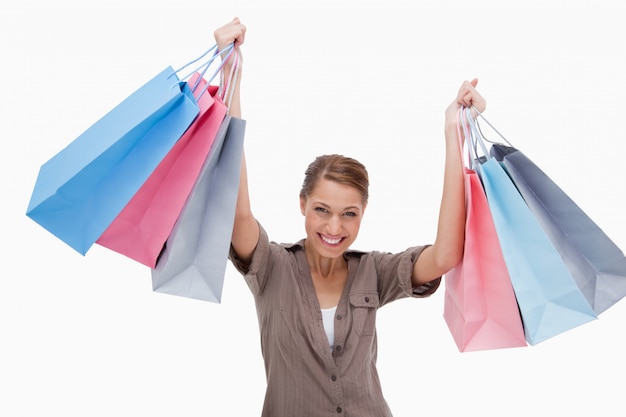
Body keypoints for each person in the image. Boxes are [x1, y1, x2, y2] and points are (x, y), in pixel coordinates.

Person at [214, 17, 486, 417]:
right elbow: (237, 209)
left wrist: (454, 133)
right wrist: (229, 71)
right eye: (322, 210)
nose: (334, 228)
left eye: (349, 214)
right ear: (302, 204)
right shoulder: (271, 266)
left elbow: (445, 255)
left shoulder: (373, 272)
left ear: (363, 215)